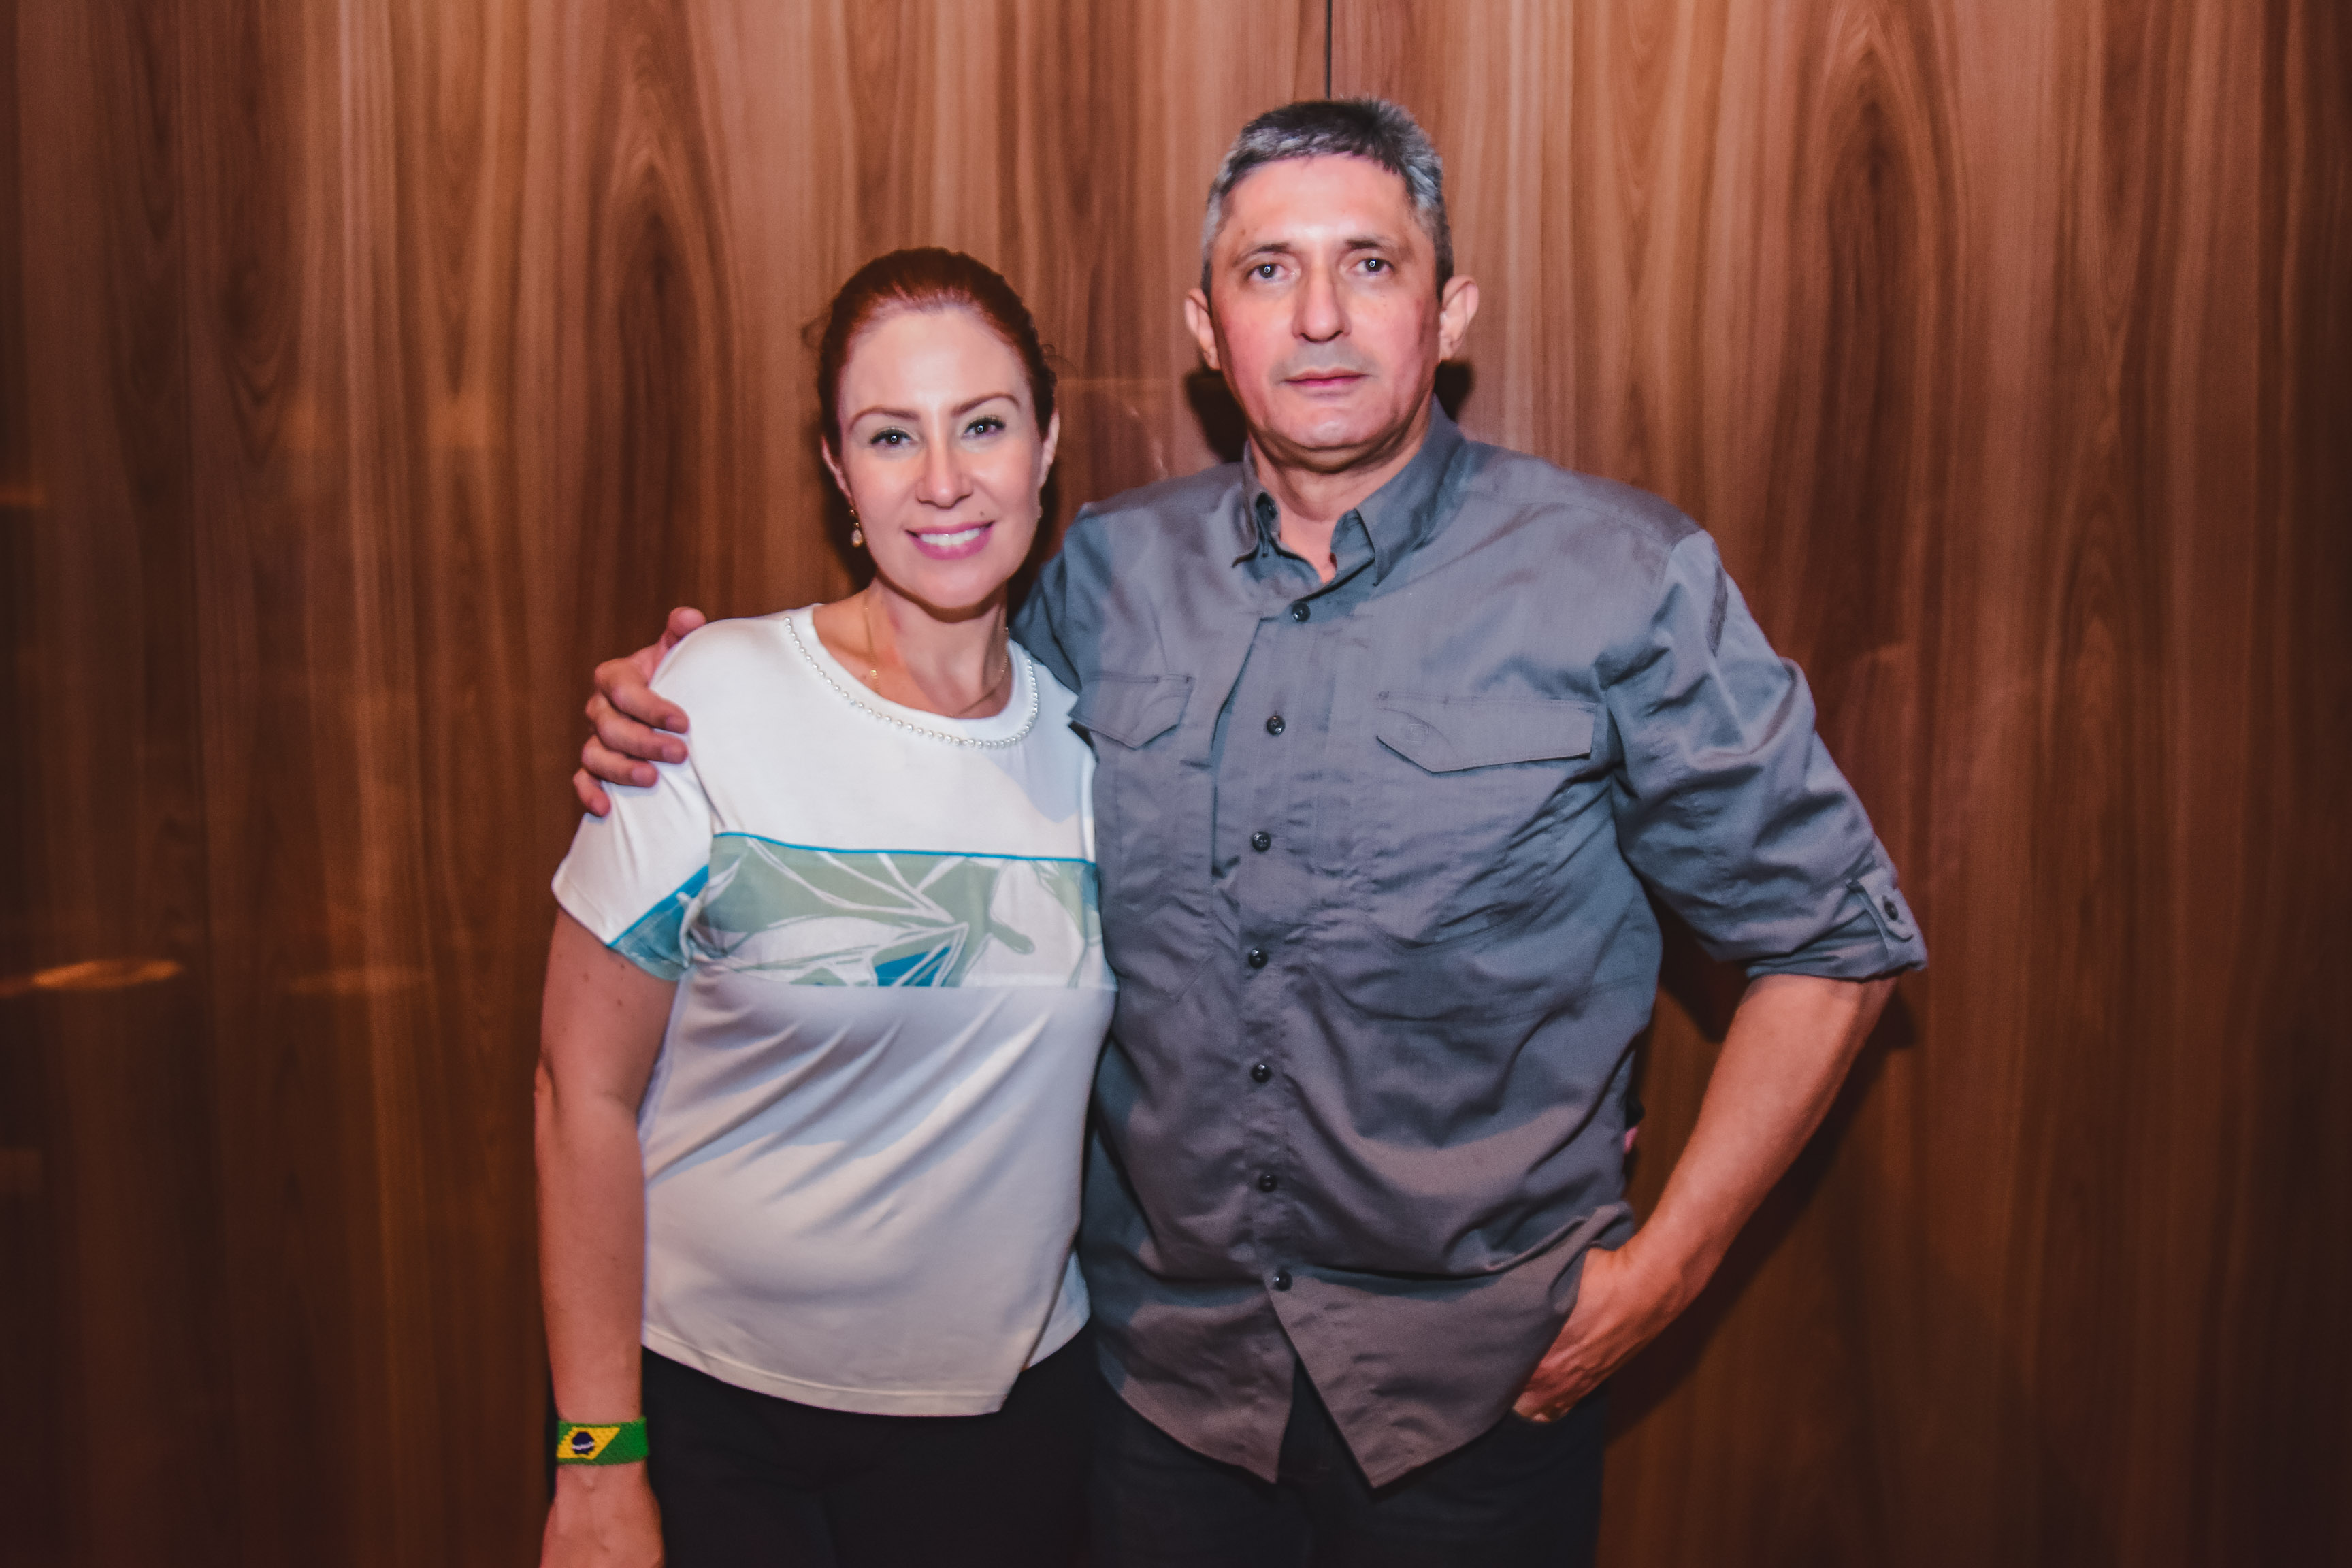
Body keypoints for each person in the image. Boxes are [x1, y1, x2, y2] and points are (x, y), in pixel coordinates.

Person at [578, 101, 1927, 1567]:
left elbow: (1832, 941)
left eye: (1372, 264)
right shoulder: (1103, 574)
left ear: (1450, 312)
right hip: (1163, 1403)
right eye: (1269, 271)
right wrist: (699, 693)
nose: (1321, 316)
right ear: (1206, 329)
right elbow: (922, 705)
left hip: (1480, 1405)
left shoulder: (1621, 580)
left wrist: (1666, 1271)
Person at [536, 248, 1108, 1568]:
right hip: (716, 1426)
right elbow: (581, 1095)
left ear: (1045, 447)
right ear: (839, 472)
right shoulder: (708, 703)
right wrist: (597, 1462)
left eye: (984, 425)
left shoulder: (1104, 744)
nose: (944, 479)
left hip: (1009, 1438)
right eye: (891, 436)